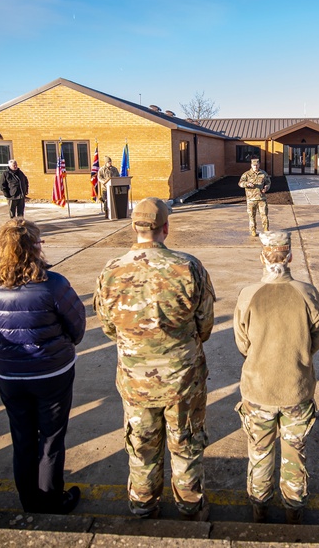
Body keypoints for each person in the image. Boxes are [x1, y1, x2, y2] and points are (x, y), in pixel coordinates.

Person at [95, 197, 216, 521]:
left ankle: (143, 506)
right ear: (165, 227)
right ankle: (190, 507)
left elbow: (108, 327)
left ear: (134, 226)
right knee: (186, 444)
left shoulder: (111, 270)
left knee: (142, 447)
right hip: (182, 380)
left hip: (136, 382)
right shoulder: (188, 267)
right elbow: (205, 324)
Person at [0, 218, 85, 514]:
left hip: (9, 373)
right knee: (50, 439)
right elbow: (77, 328)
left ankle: (29, 500)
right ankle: (50, 500)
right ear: (32, 248)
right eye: (39, 243)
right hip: (51, 373)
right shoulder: (53, 284)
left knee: (22, 438)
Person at [233, 230, 319, 525]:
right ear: (290, 257)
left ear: (262, 257)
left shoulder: (249, 294)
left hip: (259, 390)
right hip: (295, 389)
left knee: (259, 452)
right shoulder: (307, 292)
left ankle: (259, 507)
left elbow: (242, 343)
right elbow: (318, 336)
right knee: (294, 453)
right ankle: (293, 509)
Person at [238, 157, 271, 236]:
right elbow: (240, 183)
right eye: (254, 165)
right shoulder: (246, 174)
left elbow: (268, 183)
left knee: (264, 215)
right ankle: (253, 230)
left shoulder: (263, 173)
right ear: (251, 165)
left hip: (261, 198)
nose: (255, 166)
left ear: (259, 165)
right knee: (252, 216)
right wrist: (247, 184)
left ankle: (266, 229)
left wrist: (266, 187)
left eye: (257, 165)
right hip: (251, 199)